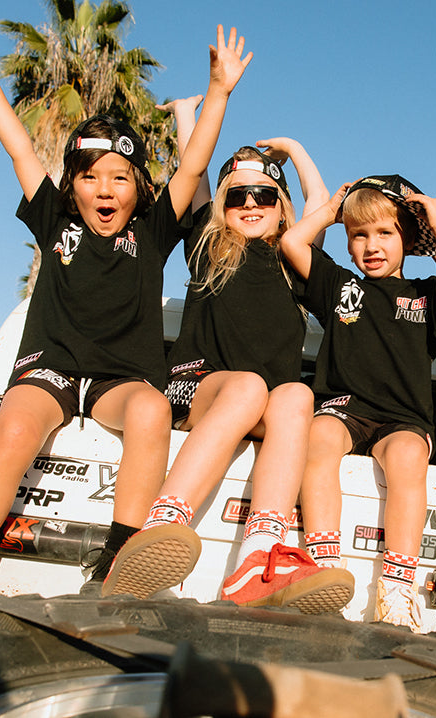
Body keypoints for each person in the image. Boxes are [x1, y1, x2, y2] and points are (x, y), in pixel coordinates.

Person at [0, 15, 250, 599]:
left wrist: (218, 93)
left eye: (120, 178)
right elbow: (19, 146)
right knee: (13, 428)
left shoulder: (153, 232)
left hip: (118, 379)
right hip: (49, 367)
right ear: (72, 184)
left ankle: (115, 567)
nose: (105, 190)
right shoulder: (54, 217)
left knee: (153, 410)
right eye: (91, 177)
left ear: (139, 187)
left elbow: (195, 165)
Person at [99, 93, 354, 612]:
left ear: (282, 204)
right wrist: (186, 118)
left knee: (296, 397)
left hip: (261, 404)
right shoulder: (207, 245)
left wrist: (296, 149)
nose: (251, 205)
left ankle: (258, 559)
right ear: (222, 208)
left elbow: (322, 206)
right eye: (237, 198)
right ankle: (162, 524)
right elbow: (193, 172)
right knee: (249, 385)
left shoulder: (294, 261)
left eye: (264, 194)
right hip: (202, 388)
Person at [279, 174, 436, 631]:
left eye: (385, 233)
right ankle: (324, 566)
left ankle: (398, 585)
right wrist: (331, 210)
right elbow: (291, 242)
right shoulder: (341, 285)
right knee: (319, 435)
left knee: (407, 458)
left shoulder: (424, 294)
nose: (371, 245)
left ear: (407, 238)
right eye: (358, 235)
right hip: (345, 406)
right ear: (346, 244)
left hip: (403, 418)